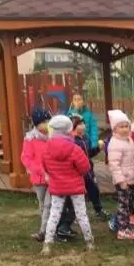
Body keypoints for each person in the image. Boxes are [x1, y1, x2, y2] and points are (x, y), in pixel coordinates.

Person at [40, 115, 94, 255]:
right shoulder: (75, 149)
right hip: (75, 187)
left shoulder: (46, 149)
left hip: (57, 187)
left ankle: (47, 244)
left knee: (54, 215)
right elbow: (85, 167)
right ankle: (89, 242)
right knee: (81, 214)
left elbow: (46, 167)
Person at [107, 109, 134, 241]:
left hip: (131, 177)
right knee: (124, 205)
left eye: (127, 126)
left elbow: (129, 156)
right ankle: (123, 230)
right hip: (123, 180)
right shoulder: (115, 143)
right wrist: (121, 181)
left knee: (132, 203)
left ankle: (117, 222)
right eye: (121, 127)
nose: (125, 129)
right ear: (115, 128)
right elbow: (114, 164)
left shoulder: (128, 140)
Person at [21, 107, 51, 241]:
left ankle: (44, 231)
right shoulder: (30, 139)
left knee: (49, 204)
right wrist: (40, 170)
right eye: (43, 122)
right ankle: (46, 229)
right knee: (43, 204)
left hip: (53, 177)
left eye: (48, 120)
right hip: (39, 179)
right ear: (37, 124)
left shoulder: (54, 136)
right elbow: (26, 159)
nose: (47, 124)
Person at [70, 115, 104, 217]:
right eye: (80, 124)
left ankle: (98, 210)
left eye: (83, 123)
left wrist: (98, 149)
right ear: (72, 126)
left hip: (88, 171)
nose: (83, 125)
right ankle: (73, 215)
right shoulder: (71, 140)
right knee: (76, 194)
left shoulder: (86, 138)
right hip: (77, 172)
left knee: (94, 189)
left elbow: (88, 154)